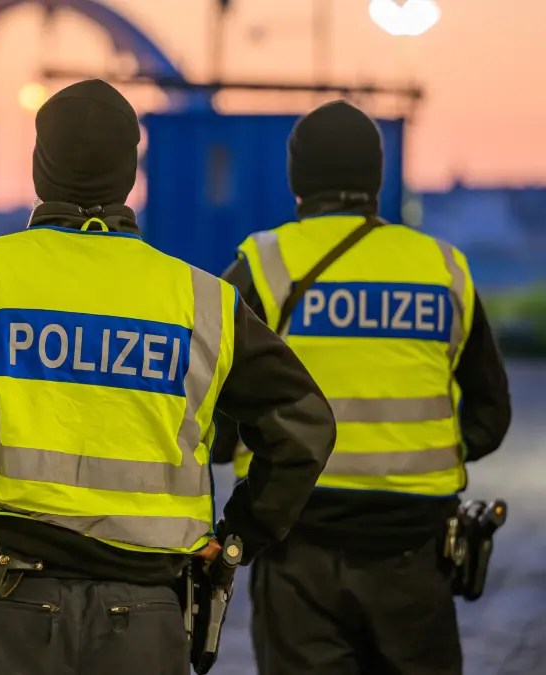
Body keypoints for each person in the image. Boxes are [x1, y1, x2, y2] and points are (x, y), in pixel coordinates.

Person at [0, 79, 337, 675]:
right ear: (129, 175)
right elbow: (304, 427)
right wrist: (243, 532)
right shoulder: (201, 301)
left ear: (41, 170)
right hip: (147, 618)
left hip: (8, 610)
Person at [212, 100, 513, 675]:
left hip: (298, 543)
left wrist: (234, 457)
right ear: (377, 175)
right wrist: (428, 455)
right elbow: (491, 415)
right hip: (415, 553)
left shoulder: (266, 264)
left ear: (297, 178)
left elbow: (214, 400)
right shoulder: (442, 268)